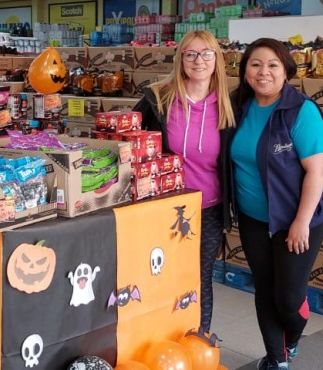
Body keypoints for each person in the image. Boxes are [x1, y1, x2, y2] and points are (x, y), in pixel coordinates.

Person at [228, 38, 323, 370]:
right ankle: (276, 359)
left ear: (286, 70)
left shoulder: (301, 111)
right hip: (253, 219)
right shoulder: (237, 107)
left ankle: (293, 339)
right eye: (255, 64)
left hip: (295, 221)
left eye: (273, 64)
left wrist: (301, 221)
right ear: (245, 71)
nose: (263, 72)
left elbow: (316, 171)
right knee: (264, 290)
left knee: (287, 298)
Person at [133, 30, 236, 333]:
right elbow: (127, 138)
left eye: (206, 53)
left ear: (217, 59)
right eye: (190, 54)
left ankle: (199, 338)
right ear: (180, 60)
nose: (199, 60)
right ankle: (158, 338)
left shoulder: (230, 105)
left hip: (209, 208)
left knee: (200, 277)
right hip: (162, 206)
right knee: (159, 272)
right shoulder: (159, 99)